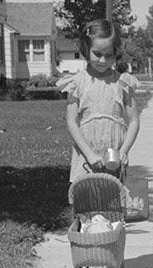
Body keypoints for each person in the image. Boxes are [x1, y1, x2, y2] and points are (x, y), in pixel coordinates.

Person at [57, 19, 140, 187]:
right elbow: (72, 122)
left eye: (109, 55)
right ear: (86, 50)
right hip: (86, 160)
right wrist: (89, 154)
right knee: (88, 207)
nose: (102, 60)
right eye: (97, 54)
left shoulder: (123, 82)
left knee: (114, 206)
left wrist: (123, 151)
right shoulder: (76, 83)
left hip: (114, 161)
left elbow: (134, 121)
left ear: (116, 53)